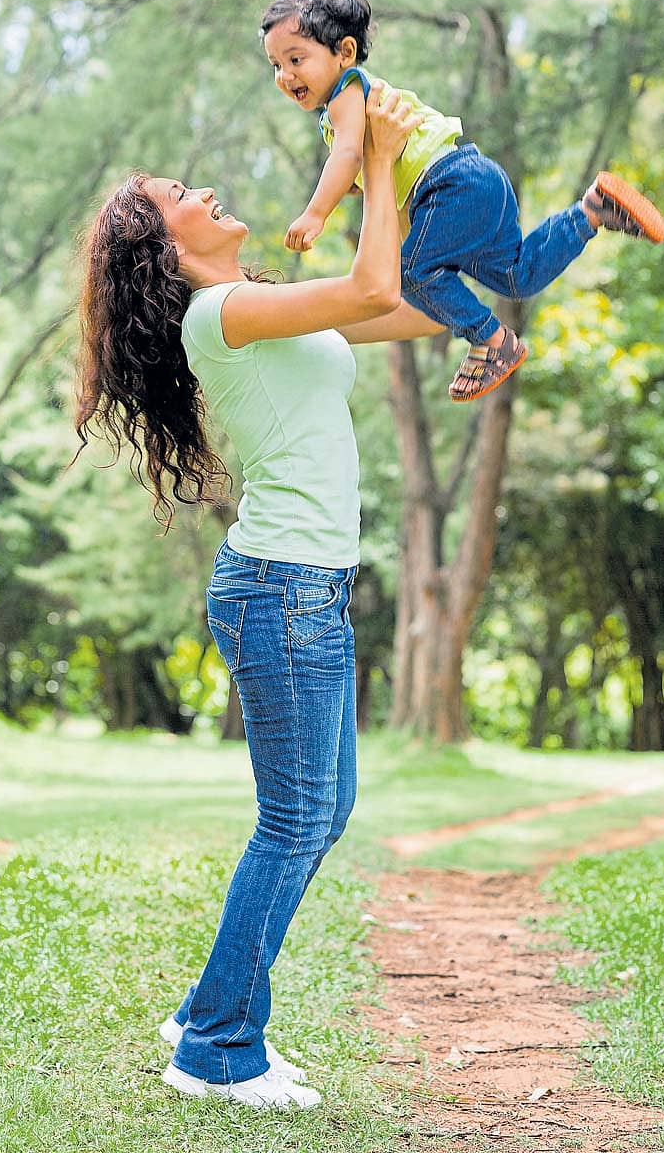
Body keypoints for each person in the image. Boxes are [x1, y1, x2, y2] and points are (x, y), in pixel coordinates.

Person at [75, 83, 443, 1110]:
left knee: (324, 814)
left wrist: (442, 193)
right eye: (184, 191)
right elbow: (371, 287)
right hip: (278, 589)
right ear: (164, 244)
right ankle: (216, 1050)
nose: (209, 189)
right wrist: (365, 154)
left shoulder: (264, 303)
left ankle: (207, 1007)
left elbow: (400, 301)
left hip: (304, 589)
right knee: (293, 821)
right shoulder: (221, 312)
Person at [260, 0, 664, 403]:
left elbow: (346, 156)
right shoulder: (351, 102)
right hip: (478, 180)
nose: (285, 76)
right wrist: (354, 183)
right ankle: (592, 211)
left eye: (295, 59)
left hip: (447, 186)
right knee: (516, 276)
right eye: (275, 65)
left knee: (413, 273)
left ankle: (491, 341)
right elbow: (360, 163)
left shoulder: (346, 93)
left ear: (344, 52)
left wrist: (315, 214)